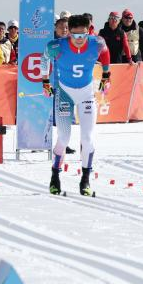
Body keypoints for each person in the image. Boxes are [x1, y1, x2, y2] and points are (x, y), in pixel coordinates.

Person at [41, 14, 111, 196]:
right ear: (69, 33)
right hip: (64, 94)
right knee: (64, 138)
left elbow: (105, 53)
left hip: (86, 93)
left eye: (83, 35)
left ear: (89, 32)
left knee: (87, 139)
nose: (79, 39)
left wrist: (106, 75)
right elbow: (44, 57)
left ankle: (85, 180)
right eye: (75, 35)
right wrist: (45, 81)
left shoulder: (97, 43)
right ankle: (55, 176)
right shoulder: (57, 46)